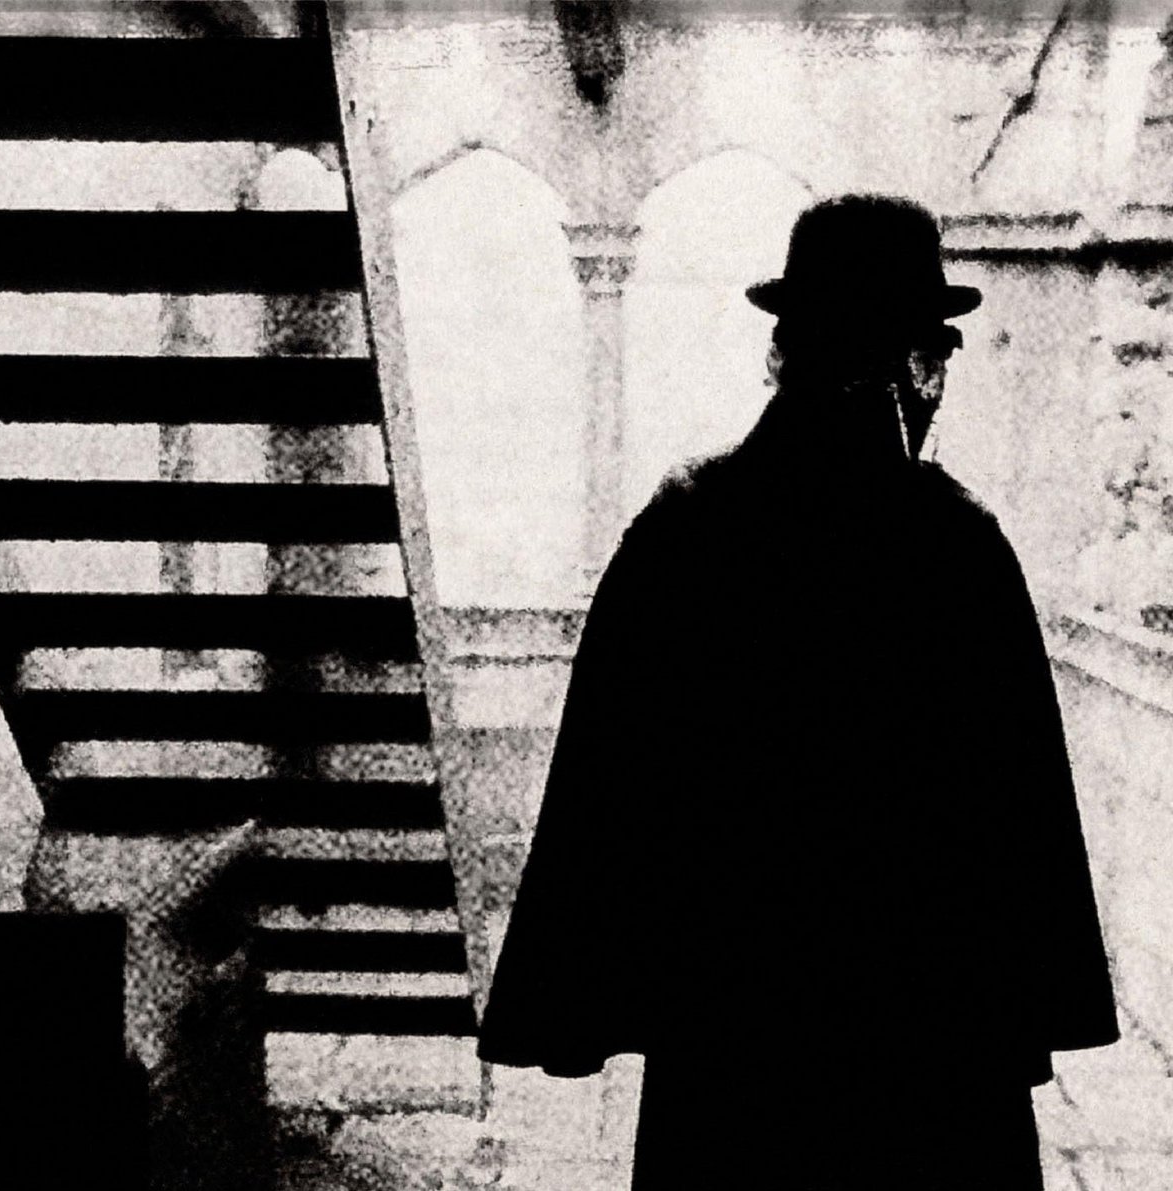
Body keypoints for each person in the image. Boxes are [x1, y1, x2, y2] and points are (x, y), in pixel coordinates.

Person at [476, 195, 1118, 1189]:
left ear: (784, 354)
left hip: (735, 1047)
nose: (939, 387)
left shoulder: (684, 531)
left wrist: (591, 992)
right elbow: (1020, 825)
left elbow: (603, 798)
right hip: (928, 1058)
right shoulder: (955, 549)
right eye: (937, 357)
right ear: (909, 367)